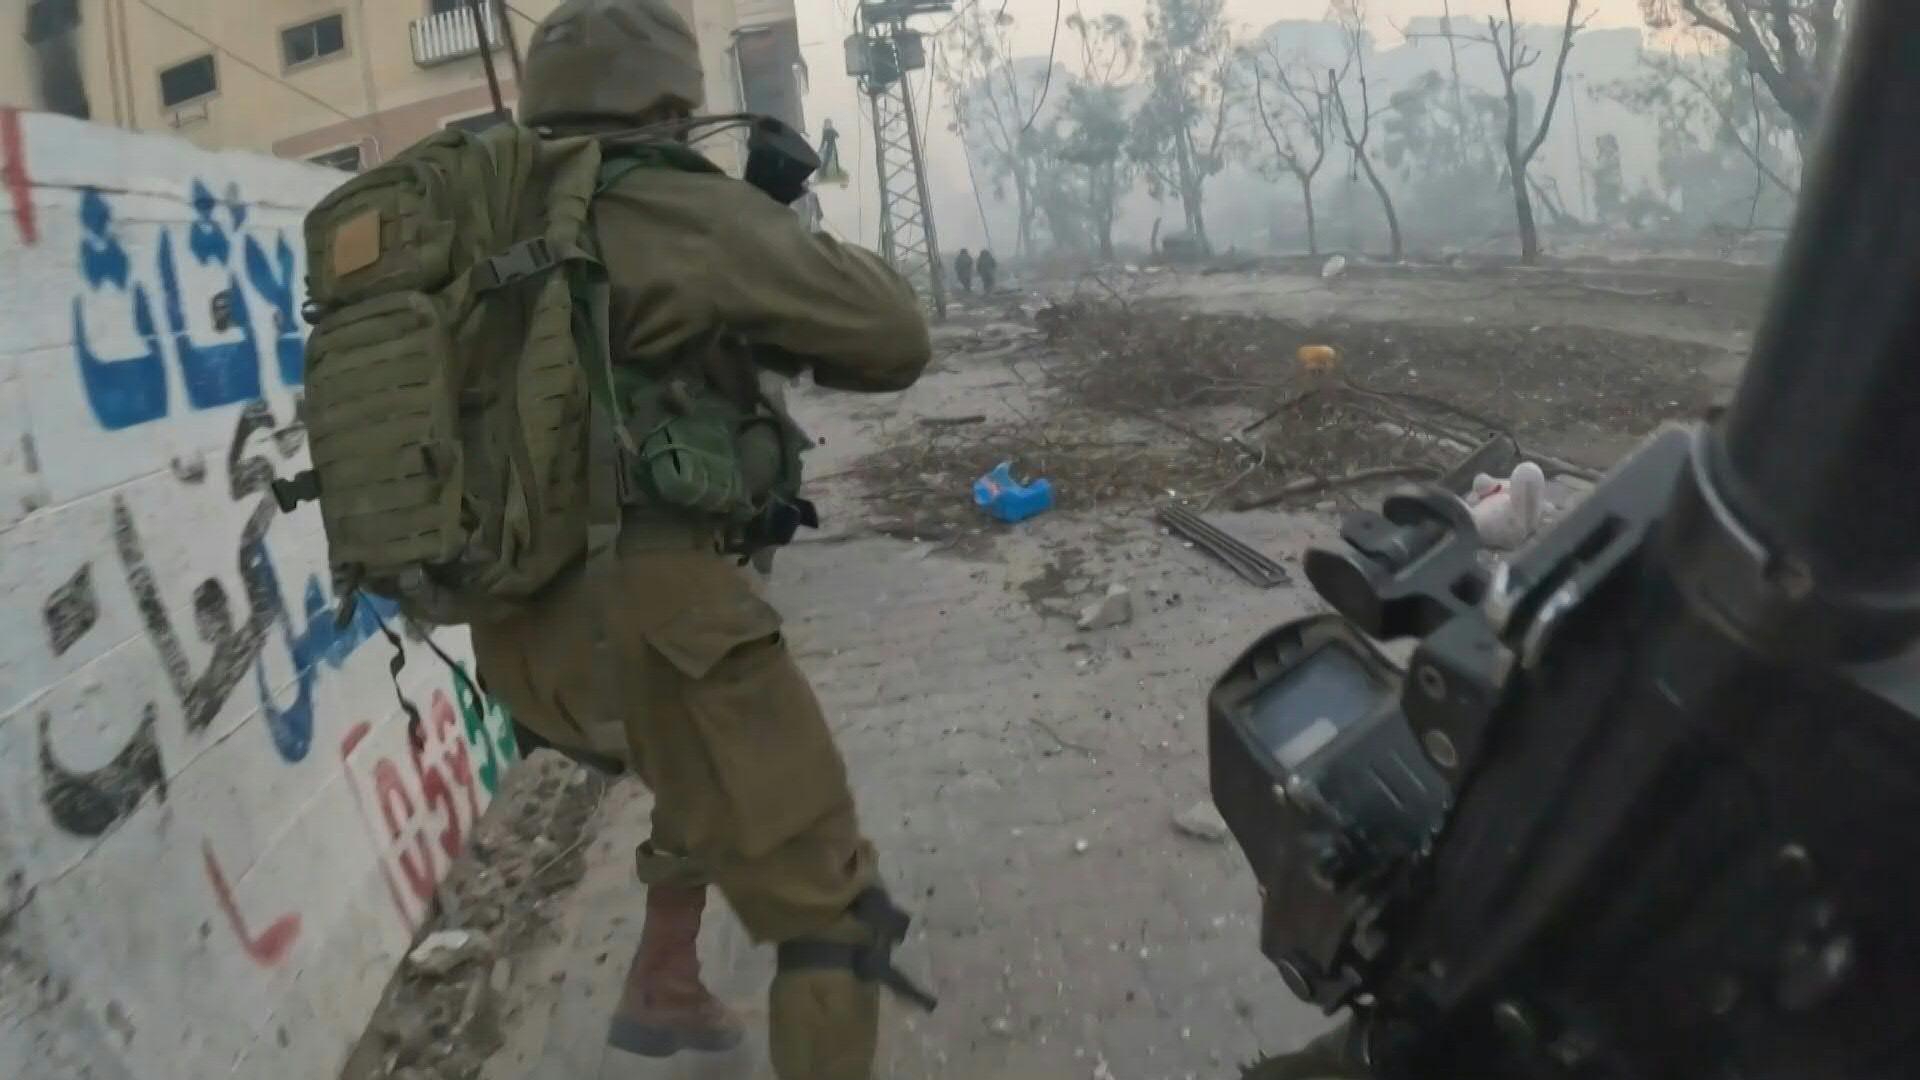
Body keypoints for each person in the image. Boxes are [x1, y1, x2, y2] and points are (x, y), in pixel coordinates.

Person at [476, 2, 935, 1077]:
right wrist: (775, 236)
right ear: (671, 102)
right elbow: (894, 335)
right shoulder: (678, 206)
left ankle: (664, 980)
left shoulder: (484, 217)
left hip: (518, 635)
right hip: (651, 616)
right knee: (830, 909)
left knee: (710, 772)